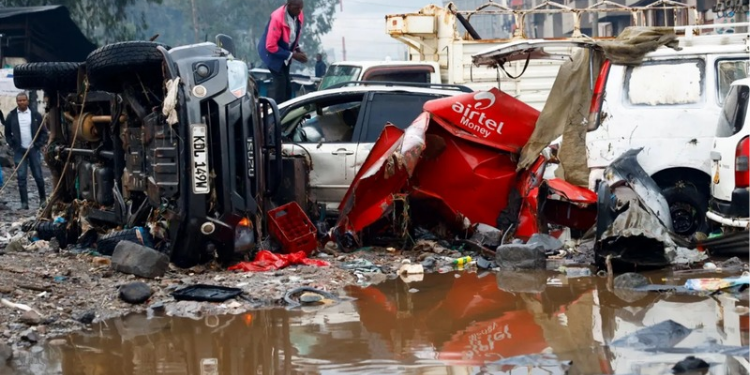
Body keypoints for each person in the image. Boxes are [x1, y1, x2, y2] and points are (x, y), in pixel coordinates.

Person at [258, 0, 307, 104]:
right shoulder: (277, 18)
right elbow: (270, 46)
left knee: (288, 87)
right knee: (280, 86)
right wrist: (294, 55)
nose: (299, 11)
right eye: (297, 8)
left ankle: (287, 111)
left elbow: (293, 36)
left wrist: (298, 49)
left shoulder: (299, 14)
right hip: (271, 54)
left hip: (285, 53)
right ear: (288, 6)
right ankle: (278, 114)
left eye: (301, 8)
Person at [3, 92, 47, 209]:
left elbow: (43, 132)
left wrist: (38, 144)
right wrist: (12, 144)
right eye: (19, 101)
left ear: (27, 101)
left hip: (33, 150)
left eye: (23, 100)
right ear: (17, 102)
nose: (21, 102)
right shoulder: (11, 116)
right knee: (21, 177)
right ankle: (24, 203)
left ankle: (43, 199)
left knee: (38, 175)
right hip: (19, 151)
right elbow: (7, 134)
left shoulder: (35, 115)